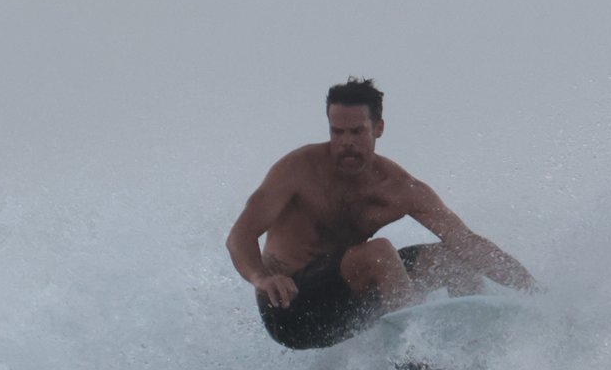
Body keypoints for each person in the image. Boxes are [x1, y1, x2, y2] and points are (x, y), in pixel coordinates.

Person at [227, 78, 535, 350]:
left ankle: (476, 354)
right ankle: (418, 357)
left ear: (379, 128)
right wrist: (261, 278)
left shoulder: (399, 188)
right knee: (379, 253)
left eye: (357, 132)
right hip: (290, 308)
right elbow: (239, 236)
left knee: (453, 259)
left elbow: (467, 242)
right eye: (338, 132)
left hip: (350, 307)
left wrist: (537, 294)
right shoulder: (298, 171)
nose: (346, 142)